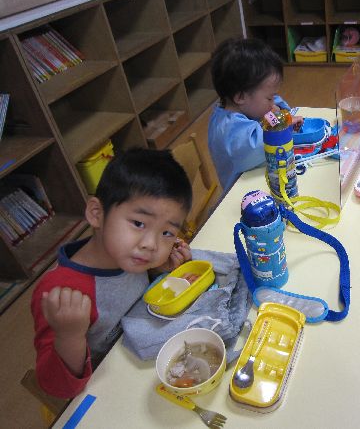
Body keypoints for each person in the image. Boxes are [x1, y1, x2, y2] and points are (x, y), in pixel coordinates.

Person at [31, 148, 193, 398]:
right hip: (107, 389)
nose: (151, 244)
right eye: (138, 223)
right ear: (97, 214)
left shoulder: (129, 256)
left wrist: (160, 271)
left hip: (141, 361)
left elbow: (131, 291)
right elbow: (57, 389)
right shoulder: (60, 292)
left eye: (166, 233)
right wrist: (69, 336)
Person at [208, 37, 303, 192]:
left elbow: (272, 110)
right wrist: (285, 123)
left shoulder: (245, 106)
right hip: (241, 193)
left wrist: (280, 111)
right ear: (240, 97)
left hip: (259, 178)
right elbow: (259, 144)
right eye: (269, 98)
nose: (273, 103)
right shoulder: (228, 128)